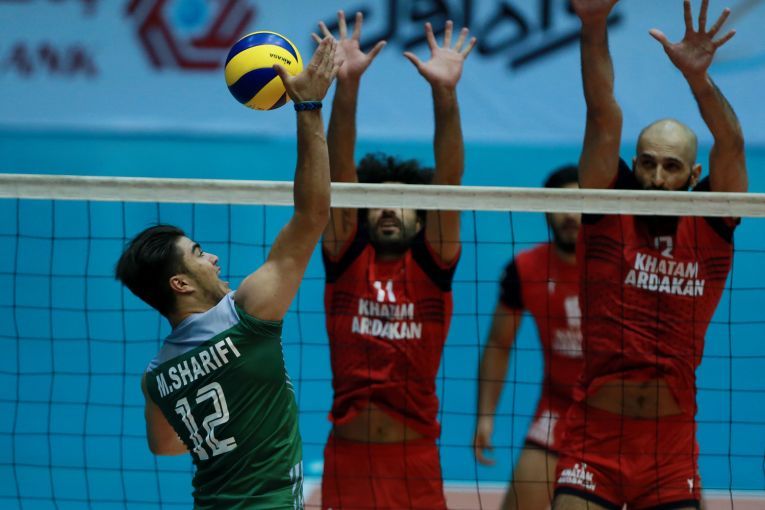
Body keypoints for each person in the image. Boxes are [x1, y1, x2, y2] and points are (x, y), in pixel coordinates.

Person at [115, 38, 340, 509]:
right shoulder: (247, 318)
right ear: (180, 284)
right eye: (198, 254)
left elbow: (165, 445)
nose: (213, 258)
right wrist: (309, 107)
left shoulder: (156, 377)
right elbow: (313, 215)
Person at [553, 1, 748, 509]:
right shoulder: (607, 204)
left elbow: (731, 142)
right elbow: (602, 112)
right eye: (647, 163)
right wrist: (593, 24)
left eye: (671, 167)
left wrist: (698, 80)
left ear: (694, 176)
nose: (657, 179)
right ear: (633, 165)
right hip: (593, 443)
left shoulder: (713, 222)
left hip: (670, 450)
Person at [316, 11, 475, 510]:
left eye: (402, 201)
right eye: (378, 200)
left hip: (414, 465)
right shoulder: (346, 256)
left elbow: (449, 181)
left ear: (422, 217)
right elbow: (338, 174)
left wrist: (445, 95)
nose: (388, 208)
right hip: (347, 463)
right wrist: (346, 87)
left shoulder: (433, 262)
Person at [474, 165, 583, 510]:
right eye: (561, 204)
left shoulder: (622, 264)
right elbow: (498, 344)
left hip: (621, 414)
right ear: (545, 210)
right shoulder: (524, 270)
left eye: (579, 203)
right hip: (558, 409)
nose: (570, 215)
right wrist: (486, 416)